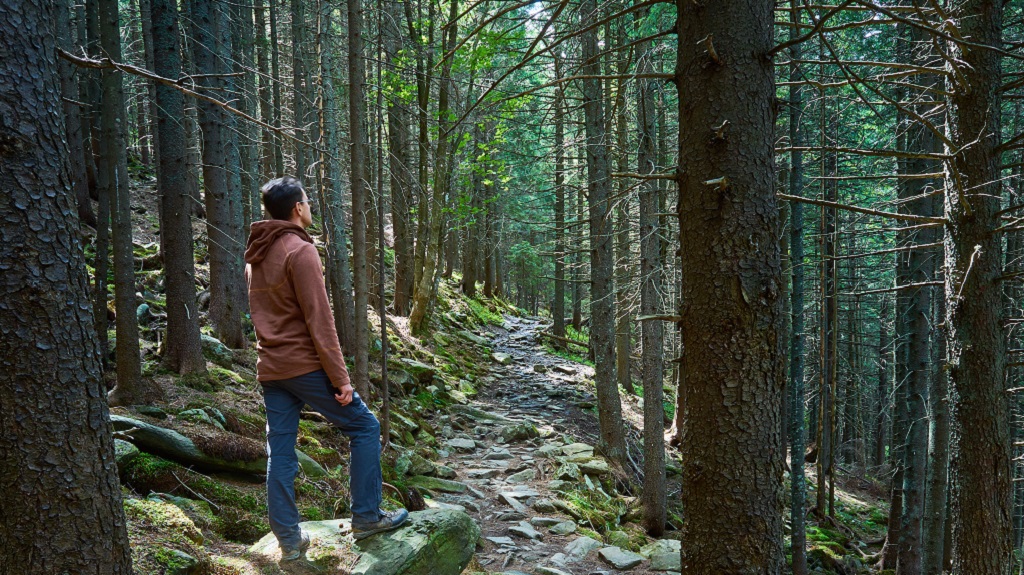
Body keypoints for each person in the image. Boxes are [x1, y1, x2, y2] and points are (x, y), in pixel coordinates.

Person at [244, 176, 408, 561]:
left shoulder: (255, 256)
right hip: (304, 365)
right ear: (297, 208)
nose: (310, 207)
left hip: (272, 367)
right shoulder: (299, 251)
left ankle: (289, 541)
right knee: (365, 427)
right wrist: (341, 380)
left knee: (280, 453)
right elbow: (320, 320)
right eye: (307, 201)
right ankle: (367, 516)